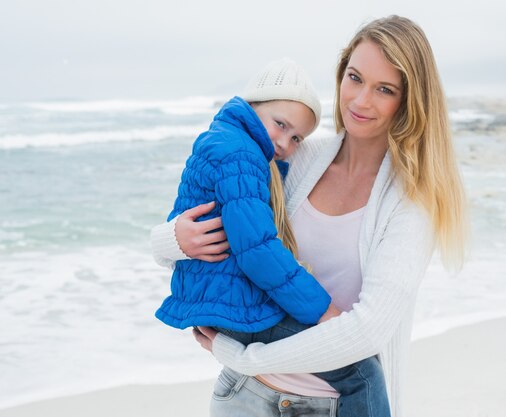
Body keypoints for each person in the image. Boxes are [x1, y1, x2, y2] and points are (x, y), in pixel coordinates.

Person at [152, 15, 467, 417]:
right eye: (354, 78)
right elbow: (228, 226)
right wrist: (173, 239)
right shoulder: (296, 158)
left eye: (384, 89)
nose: (360, 100)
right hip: (241, 397)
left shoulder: (411, 203)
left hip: (327, 406)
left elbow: (366, 331)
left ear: (408, 102)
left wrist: (244, 355)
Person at [153, 58, 391, 417]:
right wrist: (322, 309)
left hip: (224, 300)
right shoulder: (240, 155)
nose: (284, 142)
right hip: (231, 305)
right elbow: (259, 251)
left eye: (297, 137)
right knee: (362, 373)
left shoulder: (233, 146)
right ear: (253, 106)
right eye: (280, 124)